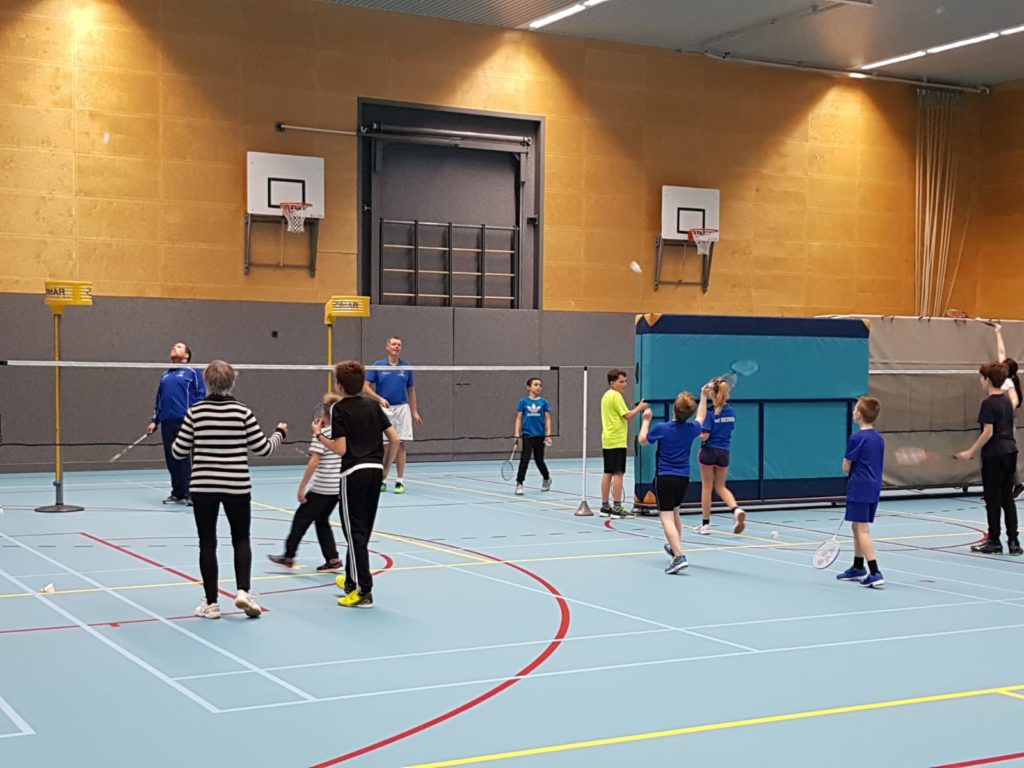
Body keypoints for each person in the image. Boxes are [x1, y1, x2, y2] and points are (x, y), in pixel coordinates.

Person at [172, 360, 287, 619]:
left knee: (207, 543)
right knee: (241, 539)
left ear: (206, 383)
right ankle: (243, 592)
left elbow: (178, 451)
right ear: (232, 382)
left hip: (203, 486)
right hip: (237, 485)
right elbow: (263, 449)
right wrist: (279, 433)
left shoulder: (195, 412)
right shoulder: (242, 412)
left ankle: (211, 604)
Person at [317, 360, 400, 608]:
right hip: (375, 472)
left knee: (354, 534)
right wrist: (386, 468)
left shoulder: (339, 409)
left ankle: (364, 591)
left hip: (353, 473)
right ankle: (351, 579)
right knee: (362, 531)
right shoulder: (373, 405)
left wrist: (319, 436)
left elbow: (341, 449)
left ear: (340, 386)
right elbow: (394, 439)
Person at [267, 392, 344, 574]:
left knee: (301, 519)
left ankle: (288, 556)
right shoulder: (343, 434)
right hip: (337, 488)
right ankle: (333, 560)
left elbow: (314, 461)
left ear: (325, 415)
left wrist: (302, 488)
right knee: (321, 520)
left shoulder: (322, 434)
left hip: (323, 488)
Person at [638, 388, 708, 574]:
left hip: (665, 478)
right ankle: (675, 546)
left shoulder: (662, 428)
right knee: (676, 512)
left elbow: (642, 440)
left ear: (674, 409)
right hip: (683, 479)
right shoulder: (692, 429)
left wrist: (646, 420)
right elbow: (701, 417)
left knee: (666, 518)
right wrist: (703, 395)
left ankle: (679, 556)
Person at [956, 362, 1021, 556]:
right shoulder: (1007, 401)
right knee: (1007, 498)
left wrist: (971, 451)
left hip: (994, 454)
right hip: (1010, 452)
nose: (980, 380)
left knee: (993, 499)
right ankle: (1014, 542)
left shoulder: (988, 403)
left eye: (982, 377)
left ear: (988, 380)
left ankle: (994, 541)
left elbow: (988, 432)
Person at [835, 397, 886, 587]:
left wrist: (848, 469)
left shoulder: (857, 438)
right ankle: (858, 567)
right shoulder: (879, 438)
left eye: (855, 408)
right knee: (856, 526)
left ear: (858, 414)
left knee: (862, 529)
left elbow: (846, 466)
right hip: (874, 487)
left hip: (860, 487)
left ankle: (875, 572)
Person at [147, 342, 205, 505]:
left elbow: (201, 395)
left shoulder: (193, 372)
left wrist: (197, 416)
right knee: (172, 459)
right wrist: (155, 420)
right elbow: (160, 399)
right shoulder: (165, 375)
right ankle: (178, 493)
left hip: (186, 421)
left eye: (179, 347)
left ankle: (192, 494)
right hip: (167, 422)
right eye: (173, 347)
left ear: (187, 355)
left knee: (187, 459)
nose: (174, 348)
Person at [363, 336, 421, 494]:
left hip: (402, 409)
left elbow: (411, 390)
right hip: (384, 409)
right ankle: (382, 479)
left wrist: (414, 411)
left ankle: (399, 481)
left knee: (401, 445)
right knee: (384, 446)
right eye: (394, 344)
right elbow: (365, 387)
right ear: (387, 347)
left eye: (399, 345)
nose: (396, 347)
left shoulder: (406, 367)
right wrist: (379, 399)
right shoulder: (378, 365)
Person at [694, 378, 746, 535]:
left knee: (707, 487)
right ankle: (736, 510)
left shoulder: (710, 413)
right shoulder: (731, 412)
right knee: (721, 486)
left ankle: (705, 524)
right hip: (724, 452)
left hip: (709, 451)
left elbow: (704, 435)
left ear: (712, 393)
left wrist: (695, 432)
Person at [600, 368, 646, 517]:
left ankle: (605, 506)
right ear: (612, 383)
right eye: (621, 381)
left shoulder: (606, 396)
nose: (624, 384)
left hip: (607, 440)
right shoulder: (616, 396)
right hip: (617, 440)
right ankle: (617, 507)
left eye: (626, 381)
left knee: (607, 472)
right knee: (618, 473)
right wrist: (640, 407)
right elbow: (627, 415)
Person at [992, 322, 1023, 498]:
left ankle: (1018, 485)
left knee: (1008, 452)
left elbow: (1015, 401)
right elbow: (1002, 353)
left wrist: (1004, 413)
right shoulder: (1006, 377)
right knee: (998, 452)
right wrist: (998, 332)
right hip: (1002, 421)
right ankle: (998, 487)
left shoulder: (1007, 382)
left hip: (1007, 422)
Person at [513, 377, 553, 496]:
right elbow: (519, 418)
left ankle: (546, 478)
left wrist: (549, 434)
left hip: (540, 435)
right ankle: (519, 483)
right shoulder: (523, 402)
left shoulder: (544, 402)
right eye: (535, 384)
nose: (539, 387)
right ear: (529, 387)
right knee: (524, 459)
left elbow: (548, 418)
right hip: (527, 435)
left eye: (540, 385)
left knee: (539, 460)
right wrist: (516, 433)